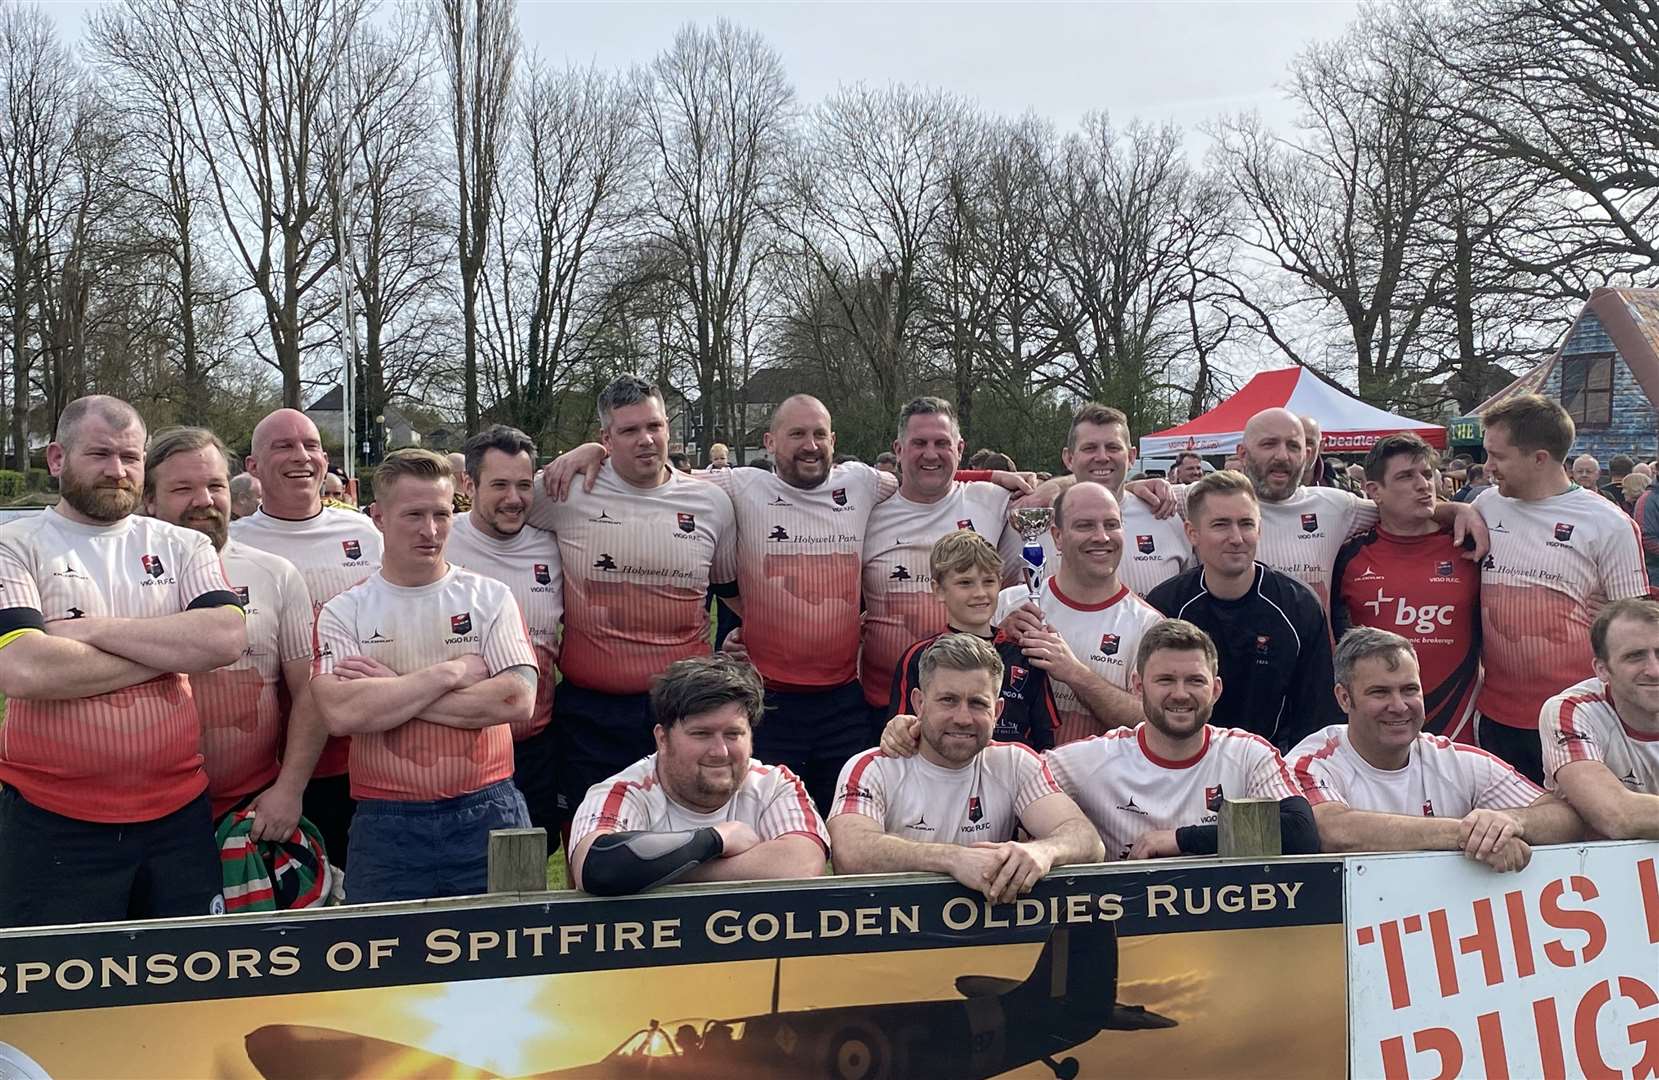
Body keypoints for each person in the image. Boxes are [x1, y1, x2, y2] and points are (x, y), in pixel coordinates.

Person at [0, 396, 247, 926]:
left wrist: (91, 630)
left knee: (185, 985)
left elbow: (225, 638)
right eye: (100, 454)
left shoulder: (184, 546)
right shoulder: (14, 544)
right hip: (51, 819)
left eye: (131, 457)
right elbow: (25, 669)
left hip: (175, 818)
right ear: (57, 459)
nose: (118, 471)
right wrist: (172, 651)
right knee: (60, 995)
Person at [311, 450, 537, 903]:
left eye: (441, 513)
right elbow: (341, 712)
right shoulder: (344, 610)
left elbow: (516, 702)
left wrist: (390, 689)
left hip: (490, 809)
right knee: (385, 963)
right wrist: (452, 672)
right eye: (413, 515)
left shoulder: (490, 597)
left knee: (511, 957)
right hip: (386, 820)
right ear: (377, 517)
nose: (430, 531)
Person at [525, 375, 738, 826]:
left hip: (686, 704)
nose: (646, 440)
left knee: (691, 837)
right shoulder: (564, 490)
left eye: (655, 426)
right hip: (593, 711)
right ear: (605, 438)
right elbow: (496, 508)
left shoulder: (711, 502)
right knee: (591, 839)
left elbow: (731, 590)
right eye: (628, 431)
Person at [145, 428, 323, 840]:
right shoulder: (121, 576)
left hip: (251, 808)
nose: (204, 501)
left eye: (215, 485)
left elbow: (310, 694)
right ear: (149, 500)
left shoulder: (274, 573)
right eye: (182, 488)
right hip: (149, 814)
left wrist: (290, 790)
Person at [829, 634, 1103, 902]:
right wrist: (953, 859)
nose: (962, 718)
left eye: (977, 703)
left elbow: (1087, 840)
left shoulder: (1014, 762)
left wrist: (1043, 852)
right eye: (948, 700)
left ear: (997, 711)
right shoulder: (874, 766)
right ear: (919, 704)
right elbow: (849, 852)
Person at [1289, 628, 1583, 872]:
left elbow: (1566, 818)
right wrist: (1469, 834)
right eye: (1380, 692)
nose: (1399, 706)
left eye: (1410, 690)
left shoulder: (1454, 760)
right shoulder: (1310, 761)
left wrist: (1511, 822)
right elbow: (1334, 832)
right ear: (1343, 698)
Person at [234, 408, 384, 868]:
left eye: (312, 446)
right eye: (284, 446)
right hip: (265, 762)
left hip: (359, 757)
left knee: (358, 898)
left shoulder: (364, 532)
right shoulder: (234, 542)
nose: (302, 456)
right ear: (253, 467)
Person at [1474, 394, 1649, 783]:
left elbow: (1636, 629)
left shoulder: (1609, 523)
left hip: (1578, 719)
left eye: (1497, 457)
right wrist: (1451, 509)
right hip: (1497, 716)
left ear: (1539, 458)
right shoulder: (1485, 505)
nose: (1487, 468)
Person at [568, 656, 828, 895]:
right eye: (701, 734)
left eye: (733, 734)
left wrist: (655, 871)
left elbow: (803, 864)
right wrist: (718, 838)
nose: (720, 751)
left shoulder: (774, 785)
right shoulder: (624, 791)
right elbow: (598, 867)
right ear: (662, 739)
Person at [1146, 470, 1341, 752]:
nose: (1236, 538)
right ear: (1192, 533)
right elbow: (1150, 702)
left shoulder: (1298, 605)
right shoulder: (1167, 604)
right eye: (1221, 525)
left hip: (1274, 762)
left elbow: (1316, 714)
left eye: (1246, 524)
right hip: (1185, 761)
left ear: (1259, 530)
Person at [859, 397, 1025, 717]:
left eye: (941, 443)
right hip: (881, 703)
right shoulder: (870, 512)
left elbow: (1070, 495)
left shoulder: (995, 500)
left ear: (960, 449)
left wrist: (1139, 491)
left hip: (967, 704)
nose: (931, 453)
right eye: (919, 443)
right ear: (898, 449)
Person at [1236, 407, 1484, 615]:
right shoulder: (1201, 504)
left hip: (1314, 669)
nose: (1282, 456)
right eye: (1269, 444)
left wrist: (1456, 509)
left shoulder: (1335, 506)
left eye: (1293, 446)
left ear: (1307, 455)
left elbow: (1396, 506)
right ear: (1242, 454)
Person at [444, 425, 565, 833]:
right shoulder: (440, 541)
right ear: (468, 483)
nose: (514, 499)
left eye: (523, 485)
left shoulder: (552, 545)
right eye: (499, 485)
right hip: (459, 749)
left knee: (531, 863)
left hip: (537, 745)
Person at [1332, 435, 1481, 743]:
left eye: (1427, 474)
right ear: (1375, 491)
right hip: (1381, 727)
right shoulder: (1349, 556)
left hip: (1458, 727)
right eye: (1405, 476)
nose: (1423, 484)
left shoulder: (1470, 544)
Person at [995, 482, 1161, 743]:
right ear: (1057, 536)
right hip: (1012, 779)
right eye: (1084, 525)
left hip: (1095, 784)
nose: (1102, 537)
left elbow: (1154, 723)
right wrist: (994, 643)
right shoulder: (1008, 604)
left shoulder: (1148, 626)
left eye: (1111, 525)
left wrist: (1075, 674)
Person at [889, 530, 1060, 749]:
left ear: (1000, 583)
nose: (980, 593)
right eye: (965, 583)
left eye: (988, 581)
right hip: (944, 776)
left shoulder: (1024, 653)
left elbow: (1043, 737)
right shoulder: (919, 656)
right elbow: (902, 732)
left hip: (1009, 776)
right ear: (939, 590)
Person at [1033, 404, 1194, 597]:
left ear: (1132, 456)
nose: (1102, 457)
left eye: (1113, 447)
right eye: (1090, 448)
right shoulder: (1036, 521)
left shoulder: (1167, 514)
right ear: (1068, 458)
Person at [1538, 598, 1659, 838]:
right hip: (1595, 868)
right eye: (1635, 656)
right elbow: (1616, 816)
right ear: (1601, 669)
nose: (1654, 670)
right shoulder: (1571, 709)